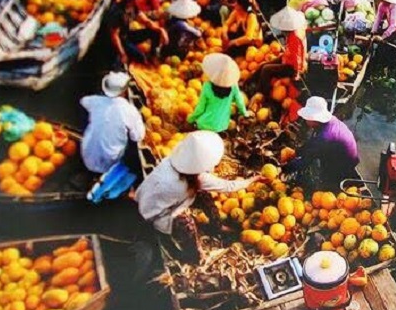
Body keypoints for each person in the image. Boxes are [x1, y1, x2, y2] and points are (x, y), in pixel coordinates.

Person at [135, 130, 261, 259]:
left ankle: (217, 226)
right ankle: (193, 255)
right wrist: (253, 180)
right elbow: (229, 186)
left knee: (203, 195)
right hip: (155, 214)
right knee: (187, 224)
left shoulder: (171, 161)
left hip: (148, 197)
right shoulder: (199, 179)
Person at [80, 72, 145, 175]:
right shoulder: (129, 110)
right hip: (109, 162)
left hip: (87, 154)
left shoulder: (95, 101)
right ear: (124, 91)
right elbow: (138, 136)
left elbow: (83, 101)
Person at [288, 96, 360, 189]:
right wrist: (297, 152)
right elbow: (312, 143)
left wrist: (285, 168)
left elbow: (305, 161)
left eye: (307, 118)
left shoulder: (325, 137)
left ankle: (331, 185)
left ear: (314, 119)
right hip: (346, 156)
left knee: (326, 184)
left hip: (343, 164)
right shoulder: (330, 121)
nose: (305, 120)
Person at [187, 54, 251, 133]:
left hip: (205, 125)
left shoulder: (207, 86)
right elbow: (240, 102)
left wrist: (190, 119)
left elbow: (200, 109)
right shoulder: (233, 86)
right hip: (222, 126)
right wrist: (245, 114)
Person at [106, 0, 167, 66]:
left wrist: (160, 30)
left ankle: (153, 56)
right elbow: (114, 36)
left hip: (127, 35)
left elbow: (146, 21)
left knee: (154, 32)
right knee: (141, 58)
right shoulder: (118, 12)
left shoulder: (133, 7)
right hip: (121, 40)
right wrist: (122, 53)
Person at [257, 7, 307, 94]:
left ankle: (263, 94)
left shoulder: (295, 37)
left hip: (292, 67)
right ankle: (249, 82)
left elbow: (297, 59)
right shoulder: (293, 32)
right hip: (288, 58)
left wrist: (296, 75)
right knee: (263, 65)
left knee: (266, 69)